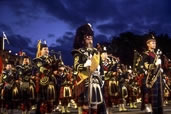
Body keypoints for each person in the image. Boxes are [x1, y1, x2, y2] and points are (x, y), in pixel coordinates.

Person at [72, 23, 104, 114]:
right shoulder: (79, 52)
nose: (90, 39)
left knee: (95, 104)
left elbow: (100, 67)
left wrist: (102, 78)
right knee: (85, 104)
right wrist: (85, 65)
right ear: (82, 39)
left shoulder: (96, 52)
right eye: (87, 37)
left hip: (96, 80)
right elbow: (76, 66)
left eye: (91, 37)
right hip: (85, 79)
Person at [141, 34, 163, 114]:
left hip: (158, 77)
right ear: (148, 44)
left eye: (155, 42)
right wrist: (154, 65)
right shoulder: (146, 54)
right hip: (151, 79)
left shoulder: (156, 55)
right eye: (152, 42)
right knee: (153, 98)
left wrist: (160, 68)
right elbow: (144, 65)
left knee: (158, 97)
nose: (154, 44)